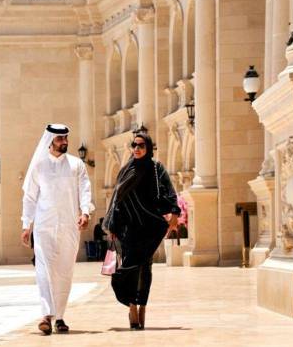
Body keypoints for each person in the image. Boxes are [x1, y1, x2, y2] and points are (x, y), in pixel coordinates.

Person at [21, 123, 93, 335]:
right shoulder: (39, 165)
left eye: (66, 138)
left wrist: (85, 212)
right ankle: (46, 315)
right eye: (60, 139)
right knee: (44, 270)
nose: (64, 142)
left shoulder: (76, 164)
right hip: (43, 227)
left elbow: (85, 190)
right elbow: (30, 197)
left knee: (64, 271)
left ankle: (59, 317)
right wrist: (26, 225)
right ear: (50, 140)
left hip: (69, 226)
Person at [103, 133, 180, 330]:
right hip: (129, 227)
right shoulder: (126, 170)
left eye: (141, 145)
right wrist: (113, 225)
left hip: (150, 226)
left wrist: (174, 213)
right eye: (134, 145)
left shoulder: (156, 168)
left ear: (149, 148)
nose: (137, 149)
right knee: (130, 267)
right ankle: (132, 307)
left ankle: (142, 306)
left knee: (145, 268)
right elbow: (117, 198)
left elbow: (170, 191)